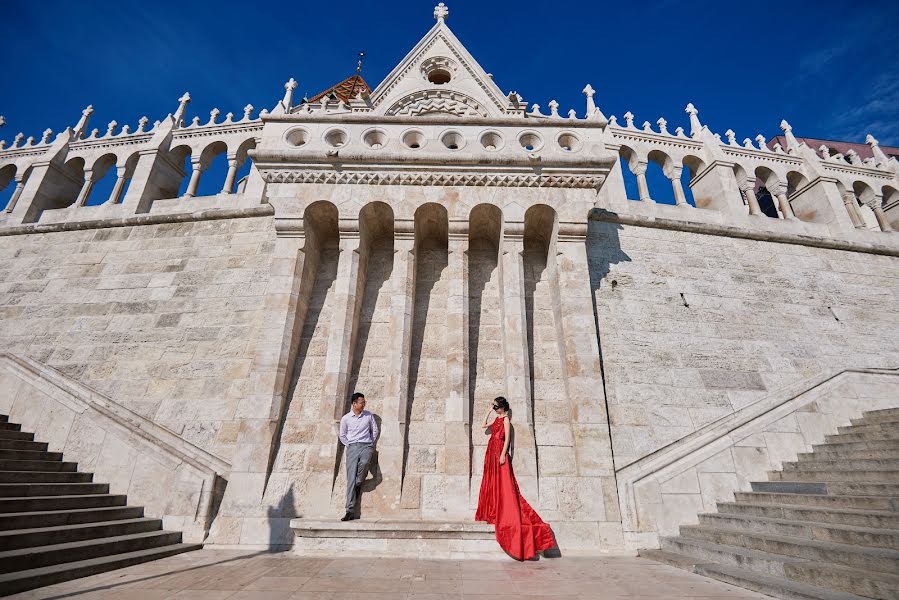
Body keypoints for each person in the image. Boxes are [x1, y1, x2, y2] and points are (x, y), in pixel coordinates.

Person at [475, 396, 555, 560]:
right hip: (491, 450)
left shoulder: (505, 421)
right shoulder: (497, 418)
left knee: (505, 485)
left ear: (503, 407)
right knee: (490, 481)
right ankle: (491, 509)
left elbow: (507, 440)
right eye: (495, 407)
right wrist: (488, 411)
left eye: (497, 407)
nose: (496, 409)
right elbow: (483, 425)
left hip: (499, 451)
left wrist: (504, 455)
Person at [338, 392, 378, 521]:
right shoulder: (346, 418)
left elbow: (374, 430)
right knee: (350, 479)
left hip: (366, 446)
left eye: (364, 402)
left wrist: (370, 443)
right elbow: (342, 434)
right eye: (361, 402)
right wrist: (349, 445)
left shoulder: (368, 415)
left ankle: (358, 482)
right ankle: (349, 510)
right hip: (352, 447)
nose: (364, 404)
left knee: (365, 463)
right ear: (354, 404)